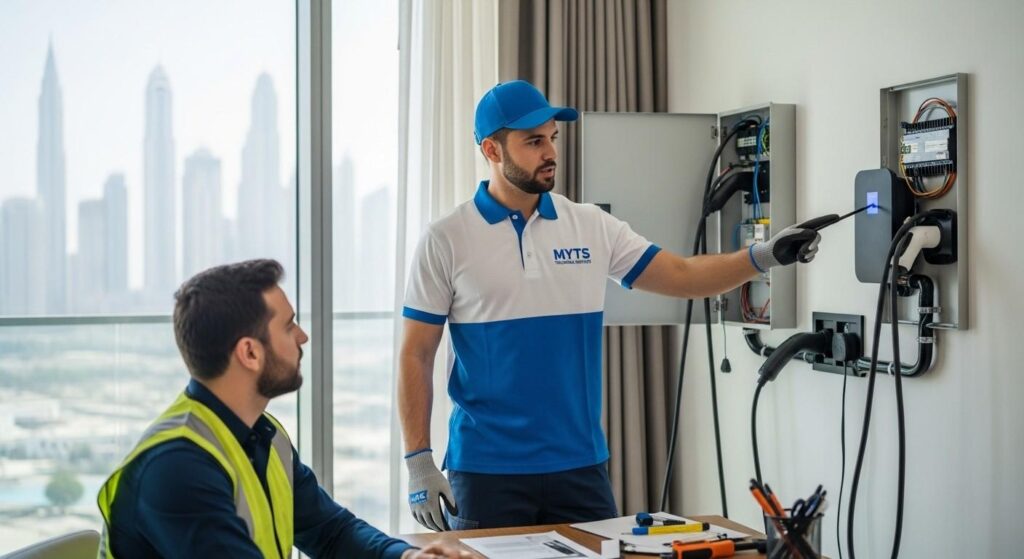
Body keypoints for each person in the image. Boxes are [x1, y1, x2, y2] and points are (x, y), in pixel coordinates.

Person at [399, 80, 822, 531]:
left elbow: (682, 275)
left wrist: (764, 256)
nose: (551, 152)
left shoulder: (590, 225)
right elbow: (416, 354)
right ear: (492, 150)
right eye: (534, 142)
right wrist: (418, 461)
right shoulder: (446, 239)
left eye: (552, 138)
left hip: (580, 466)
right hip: (485, 471)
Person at [97, 260, 470, 558]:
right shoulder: (176, 467)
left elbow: (331, 532)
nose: (302, 336)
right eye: (289, 326)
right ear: (250, 352)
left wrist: (406, 556)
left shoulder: (264, 434)